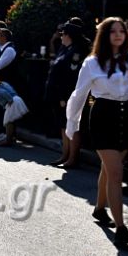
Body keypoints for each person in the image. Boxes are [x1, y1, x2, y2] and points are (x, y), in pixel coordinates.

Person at [66, 17, 128, 247]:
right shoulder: (92, 63)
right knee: (116, 173)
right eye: (113, 31)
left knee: (109, 170)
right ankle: (120, 228)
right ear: (104, 35)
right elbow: (79, 94)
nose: (119, 34)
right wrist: (72, 123)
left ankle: (99, 209)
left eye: (122, 30)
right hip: (103, 117)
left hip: (125, 118)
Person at [46, 22, 88, 168]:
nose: (60, 36)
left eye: (63, 34)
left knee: (72, 126)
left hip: (67, 95)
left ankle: (72, 158)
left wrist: (64, 97)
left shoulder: (76, 51)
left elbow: (70, 77)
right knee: (63, 126)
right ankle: (65, 155)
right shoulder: (64, 49)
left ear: (69, 35)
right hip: (58, 94)